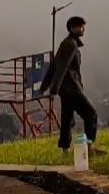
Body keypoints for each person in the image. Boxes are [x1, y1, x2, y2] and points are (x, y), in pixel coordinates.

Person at [41, 15, 99, 150]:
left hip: (66, 90)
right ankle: (89, 147)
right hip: (72, 89)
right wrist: (52, 89)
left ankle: (65, 149)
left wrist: (46, 86)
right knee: (91, 114)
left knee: (67, 120)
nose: (83, 29)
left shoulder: (67, 43)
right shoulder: (70, 44)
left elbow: (53, 65)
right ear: (73, 28)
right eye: (81, 26)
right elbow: (61, 67)